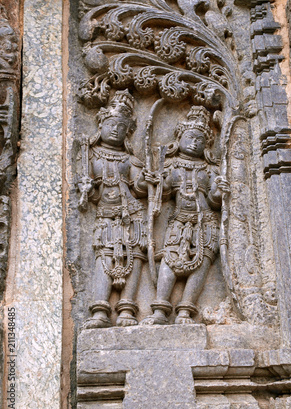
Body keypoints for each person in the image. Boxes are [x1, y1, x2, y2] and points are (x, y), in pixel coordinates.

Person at [142, 105, 227, 325]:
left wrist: (219, 191)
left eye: (200, 140)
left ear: (207, 146)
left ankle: (185, 311)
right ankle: (160, 309)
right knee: (169, 262)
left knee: (201, 266)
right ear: (179, 138)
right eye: (190, 137)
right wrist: (157, 183)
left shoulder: (209, 170)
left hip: (205, 223)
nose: (194, 142)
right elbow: (165, 192)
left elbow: (213, 200)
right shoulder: (170, 165)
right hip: (179, 221)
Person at [78, 90, 148, 328]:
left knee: (135, 255)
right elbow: (93, 193)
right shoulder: (91, 154)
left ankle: (127, 308)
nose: (115, 130)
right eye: (111, 124)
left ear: (128, 131)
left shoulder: (129, 159)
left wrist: (146, 180)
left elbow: (139, 189)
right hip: (106, 214)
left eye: (121, 126)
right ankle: (100, 310)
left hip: (132, 214)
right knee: (104, 256)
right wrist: (87, 189)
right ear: (101, 125)